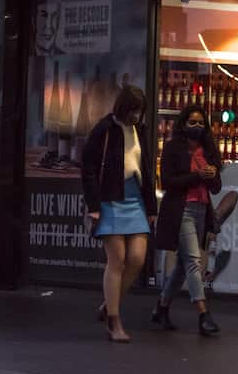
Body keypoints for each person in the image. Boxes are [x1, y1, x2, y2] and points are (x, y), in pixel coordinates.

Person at [82, 85, 157, 343]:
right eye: (133, 111)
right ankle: (114, 321)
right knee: (118, 260)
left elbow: (146, 169)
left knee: (137, 259)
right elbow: (88, 166)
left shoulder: (140, 131)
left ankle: (108, 305)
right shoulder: (104, 129)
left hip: (136, 198)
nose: (136, 116)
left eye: (140, 111)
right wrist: (93, 205)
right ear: (123, 107)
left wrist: (151, 208)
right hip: (110, 199)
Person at [152, 103, 223, 336]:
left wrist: (212, 176)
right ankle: (203, 314)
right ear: (183, 124)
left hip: (201, 209)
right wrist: (197, 176)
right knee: (194, 261)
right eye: (192, 122)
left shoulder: (208, 150)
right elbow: (169, 182)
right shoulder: (173, 148)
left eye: (201, 123)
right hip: (181, 210)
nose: (197, 126)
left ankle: (162, 308)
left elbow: (216, 188)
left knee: (183, 266)